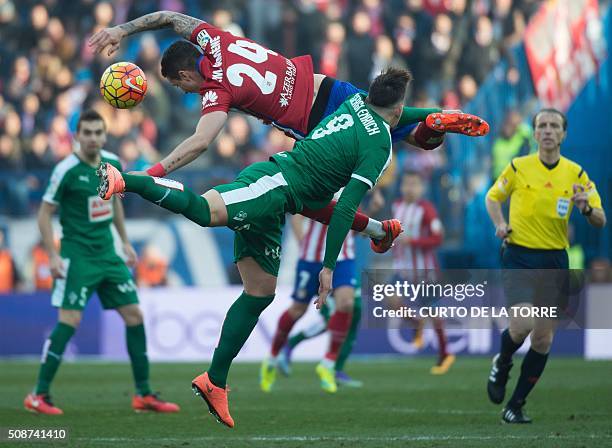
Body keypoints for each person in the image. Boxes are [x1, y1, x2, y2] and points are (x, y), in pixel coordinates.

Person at [98, 68, 413, 428]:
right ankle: (128, 180)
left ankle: (214, 380)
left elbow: (315, 205)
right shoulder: (378, 146)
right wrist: (328, 266)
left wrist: (374, 228)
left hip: (282, 200)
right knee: (205, 211)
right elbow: (340, 207)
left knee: (260, 292)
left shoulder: (356, 103)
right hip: (273, 185)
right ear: (399, 110)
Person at [88, 10, 489, 251]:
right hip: (327, 86)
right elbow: (170, 19)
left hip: (319, 125)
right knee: (417, 136)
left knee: (306, 199)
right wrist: (123, 30)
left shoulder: (217, 89)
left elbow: (200, 142)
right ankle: (435, 119)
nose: (186, 92)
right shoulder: (216, 38)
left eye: (180, 86)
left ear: (182, 73)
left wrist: (153, 173)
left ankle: (376, 229)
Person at [23, 110, 180, 416]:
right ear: (77, 136)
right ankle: (38, 394)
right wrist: (53, 255)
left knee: (134, 315)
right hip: (77, 256)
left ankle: (143, 393)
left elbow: (114, 204)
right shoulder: (66, 170)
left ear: (105, 136)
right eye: (88, 133)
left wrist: (123, 241)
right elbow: (44, 214)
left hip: (108, 254)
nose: (93, 138)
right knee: (70, 321)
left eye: (98, 132)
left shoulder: (112, 163)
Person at [485, 108, 606, 423]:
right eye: (543, 126)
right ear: (535, 134)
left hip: (554, 260)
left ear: (563, 134)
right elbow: (492, 197)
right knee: (522, 326)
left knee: (543, 339)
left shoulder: (576, 174)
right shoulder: (518, 167)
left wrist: (586, 209)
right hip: (519, 255)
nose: (549, 131)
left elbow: (600, 220)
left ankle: (515, 405)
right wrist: (500, 224)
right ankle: (503, 361)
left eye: (555, 126)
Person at [261, 211, 361, 394]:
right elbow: (298, 214)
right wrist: (303, 242)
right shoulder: (319, 183)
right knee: (298, 310)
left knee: (347, 303)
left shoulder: (353, 185)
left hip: (343, 257)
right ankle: (273, 356)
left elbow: (355, 217)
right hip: (311, 258)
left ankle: (328, 364)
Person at [390, 171, 454, 374]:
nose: (410, 188)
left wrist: (413, 242)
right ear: (401, 187)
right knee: (390, 299)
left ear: (421, 188)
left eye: (414, 184)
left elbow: (438, 238)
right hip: (402, 267)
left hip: (425, 271)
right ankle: (416, 322)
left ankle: (445, 354)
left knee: (434, 314)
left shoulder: (427, 210)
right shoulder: (396, 206)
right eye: (407, 184)